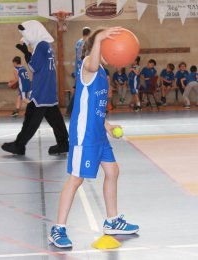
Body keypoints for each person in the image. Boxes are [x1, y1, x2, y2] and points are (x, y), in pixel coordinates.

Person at [49, 27, 139, 248]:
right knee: (76, 178)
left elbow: (94, 106)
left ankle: (112, 221)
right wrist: (99, 39)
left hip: (98, 132)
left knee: (112, 170)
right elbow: (92, 61)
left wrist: (107, 125)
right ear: (102, 47)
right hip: (84, 135)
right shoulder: (90, 65)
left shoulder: (102, 74)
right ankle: (57, 229)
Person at [1, 20, 69, 155]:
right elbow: (39, 64)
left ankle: (19, 145)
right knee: (55, 118)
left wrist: (26, 53)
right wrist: (27, 50)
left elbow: (33, 67)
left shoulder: (41, 46)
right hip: (48, 88)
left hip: (41, 90)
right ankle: (63, 143)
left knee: (31, 118)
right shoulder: (46, 45)